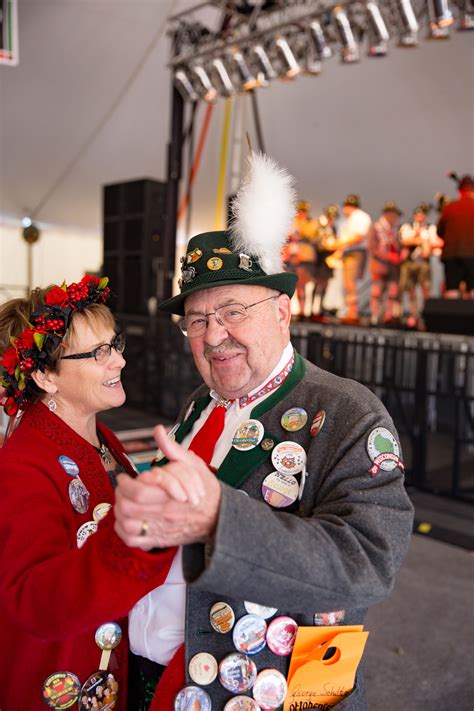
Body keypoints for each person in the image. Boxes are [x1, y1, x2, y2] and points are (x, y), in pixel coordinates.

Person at [114, 153, 414, 711]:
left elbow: (366, 564)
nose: (213, 335)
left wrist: (218, 521)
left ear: (282, 310)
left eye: (232, 310)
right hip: (155, 684)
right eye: (197, 321)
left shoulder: (347, 413)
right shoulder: (200, 405)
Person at [0, 275, 175, 710]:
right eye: (98, 353)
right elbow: (34, 600)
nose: (117, 361)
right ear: (44, 376)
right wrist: (139, 539)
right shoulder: (23, 465)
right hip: (57, 684)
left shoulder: (100, 440)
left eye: (114, 345)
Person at [399, 203, 441, 328]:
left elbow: (435, 243)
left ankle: (426, 315)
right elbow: (404, 240)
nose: (419, 216)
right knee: (411, 290)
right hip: (410, 262)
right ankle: (414, 314)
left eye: (422, 214)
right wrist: (421, 242)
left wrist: (426, 245)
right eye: (417, 214)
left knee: (425, 289)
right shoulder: (408, 227)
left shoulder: (430, 228)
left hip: (423, 263)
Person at [334, 194, 372, 325]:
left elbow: (359, 237)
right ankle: (351, 311)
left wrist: (339, 245)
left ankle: (353, 313)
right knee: (348, 283)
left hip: (354, 252)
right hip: (349, 252)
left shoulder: (360, 217)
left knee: (350, 283)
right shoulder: (348, 219)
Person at [437, 174, 474, 298]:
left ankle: (451, 317)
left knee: (452, 289)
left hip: (451, 256)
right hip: (472, 256)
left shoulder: (449, 208)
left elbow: (439, 231)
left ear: (459, 191)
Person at [368, 201, 404, 326]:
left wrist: (401, 254)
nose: (394, 218)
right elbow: (372, 247)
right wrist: (389, 256)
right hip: (380, 266)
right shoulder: (376, 227)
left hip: (393, 268)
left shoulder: (396, 230)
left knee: (392, 292)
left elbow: (399, 246)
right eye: (393, 215)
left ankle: (388, 316)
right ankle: (375, 316)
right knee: (377, 292)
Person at [285, 200, 318, 319]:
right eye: (299, 211)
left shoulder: (310, 224)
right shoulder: (290, 223)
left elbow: (312, 235)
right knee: (287, 287)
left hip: (303, 260)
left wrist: (300, 229)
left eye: (303, 211)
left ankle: (303, 312)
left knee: (301, 286)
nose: (300, 214)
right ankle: (286, 313)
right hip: (288, 258)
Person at [311, 204, 339, 320]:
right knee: (318, 284)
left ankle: (320, 308)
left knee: (325, 284)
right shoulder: (319, 226)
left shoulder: (333, 228)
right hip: (320, 259)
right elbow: (315, 242)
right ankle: (312, 309)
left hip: (328, 259)